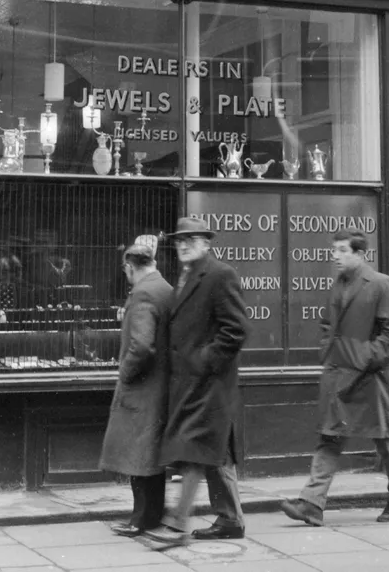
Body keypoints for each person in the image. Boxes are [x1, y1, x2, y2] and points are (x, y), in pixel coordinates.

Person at [280, 229, 389, 528]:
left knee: (385, 440)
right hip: (340, 376)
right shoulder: (339, 285)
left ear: (360, 254)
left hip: (373, 379)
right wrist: (328, 352)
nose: (335, 255)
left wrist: (364, 358)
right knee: (330, 437)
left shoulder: (381, 284)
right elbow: (328, 325)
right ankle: (312, 503)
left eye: (342, 250)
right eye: (334, 250)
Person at [146, 216, 249, 546]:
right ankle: (231, 519)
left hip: (209, 382)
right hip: (189, 382)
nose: (183, 244)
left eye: (192, 239)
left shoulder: (220, 274)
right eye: (179, 240)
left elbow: (236, 330)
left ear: (208, 243)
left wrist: (204, 360)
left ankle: (177, 524)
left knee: (194, 449)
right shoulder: (187, 275)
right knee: (212, 452)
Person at [100, 238, 174, 537]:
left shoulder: (142, 293)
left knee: (137, 454)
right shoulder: (165, 288)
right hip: (162, 385)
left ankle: (140, 519)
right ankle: (153, 515)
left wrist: (126, 374)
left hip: (142, 389)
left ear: (129, 268)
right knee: (152, 456)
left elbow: (142, 346)